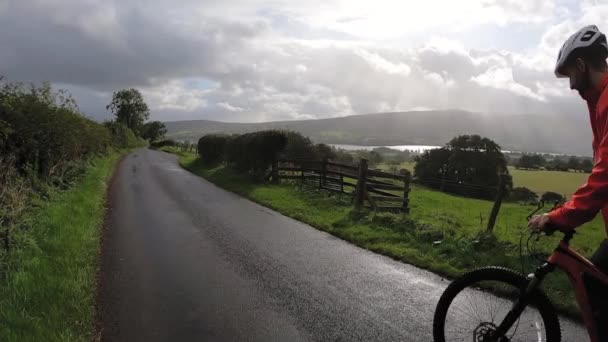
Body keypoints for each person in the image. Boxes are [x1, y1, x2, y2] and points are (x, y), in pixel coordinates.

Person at [528, 24, 608, 336]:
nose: (570, 85)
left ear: (580, 65)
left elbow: (604, 179)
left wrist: (560, 216)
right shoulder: (599, 103)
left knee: (596, 288)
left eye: (568, 75)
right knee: (596, 282)